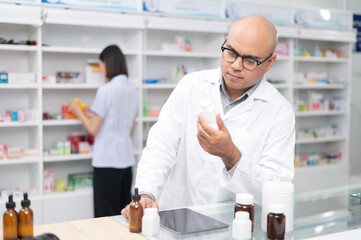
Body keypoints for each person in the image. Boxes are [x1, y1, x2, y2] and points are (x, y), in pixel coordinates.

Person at [122, 15, 295, 217]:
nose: (236, 65)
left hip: (232, 225)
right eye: (231, 52)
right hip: (177, 215)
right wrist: (146, 193)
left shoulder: (279, 112)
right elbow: (160, 146)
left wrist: (232, 156)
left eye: (250, 60)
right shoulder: (191, 85)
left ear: (270, 62)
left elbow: (276, 189)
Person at [70, 45, 138, 217]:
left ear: (108, 64)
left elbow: (94, 128)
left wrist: (78, 112)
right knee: (123, 217)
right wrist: (90, 112)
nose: (101, 71)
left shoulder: (105, 90)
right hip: (126, 161)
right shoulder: (132, 90)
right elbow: (130, 127)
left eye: (100, 66)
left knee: (104, 218)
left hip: (106, 163)